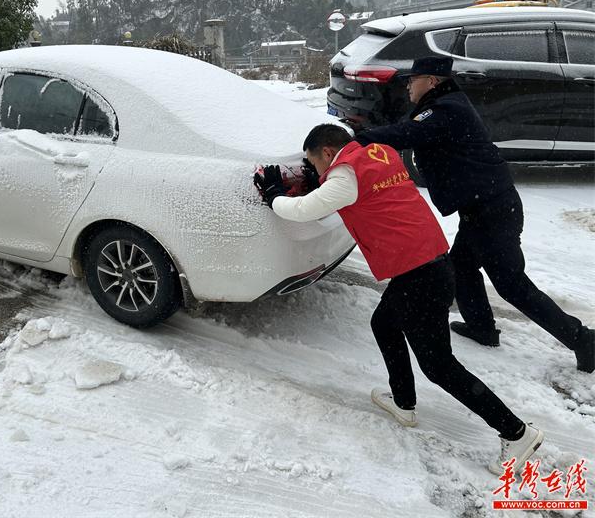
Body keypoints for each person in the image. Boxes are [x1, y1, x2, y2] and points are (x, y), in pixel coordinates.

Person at [254, 124, 543, 475]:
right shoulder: (381, 154)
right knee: (384, 324)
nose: (318, 172)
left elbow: (304, 210)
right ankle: (404, 403)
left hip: (419, 275)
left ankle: (516, 432)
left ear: (328, 153)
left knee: (439, 366)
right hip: (432, 263)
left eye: (316, 164)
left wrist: (272, 195)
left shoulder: (344, 178)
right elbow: (359, 191)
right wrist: (319, 180)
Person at [354, 56, 594, 373]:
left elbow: (406, 134)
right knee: (462, 268)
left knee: (512, 286)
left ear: (433, 81)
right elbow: (409, 129)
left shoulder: (446, 110)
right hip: (484, 208)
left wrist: (358, 139)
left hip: (493, 212)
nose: (409, 85)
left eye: (414, 79)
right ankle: (482, 327)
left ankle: (583, 339)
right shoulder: (444, 104)